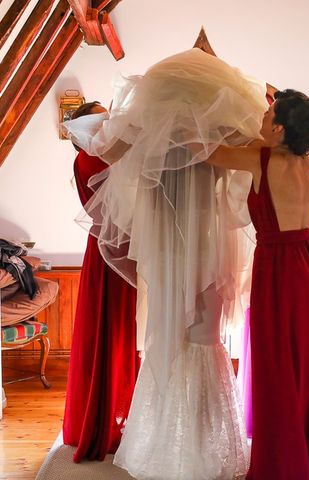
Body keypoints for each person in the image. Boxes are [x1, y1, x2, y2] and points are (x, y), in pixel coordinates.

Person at [63, 49, 267, 479]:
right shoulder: (212, 145)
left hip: (164, 253)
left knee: (172, 341)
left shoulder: (144, 142)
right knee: (200, 339)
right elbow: (254, 154)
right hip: (202, 250)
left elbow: (95, 141)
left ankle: (164, 443)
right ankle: (199, 446)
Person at [201, 89, 309, 479]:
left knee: (276, 358)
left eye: (266, 117)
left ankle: (284, 459)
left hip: (280, 263)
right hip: (308, 258)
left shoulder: (259, 157)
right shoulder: (302, 159)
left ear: (279, 128)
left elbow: (207, 151)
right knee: (303, 355)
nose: (260, 122)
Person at [236, 121, 309, 438]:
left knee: (301, 343)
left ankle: (304, 425)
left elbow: (286, 203)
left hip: (300, 257)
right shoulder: (271, 166)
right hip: (268, 255)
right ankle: (270, 418)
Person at [62, 102, 140, 463]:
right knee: (116, 332)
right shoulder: (96, 160)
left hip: (110, 249)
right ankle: (112, 419)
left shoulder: (93, 158)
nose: (112, 122)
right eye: (104, 118)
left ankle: (117, 413)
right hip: (114, 253)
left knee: (120, 332)